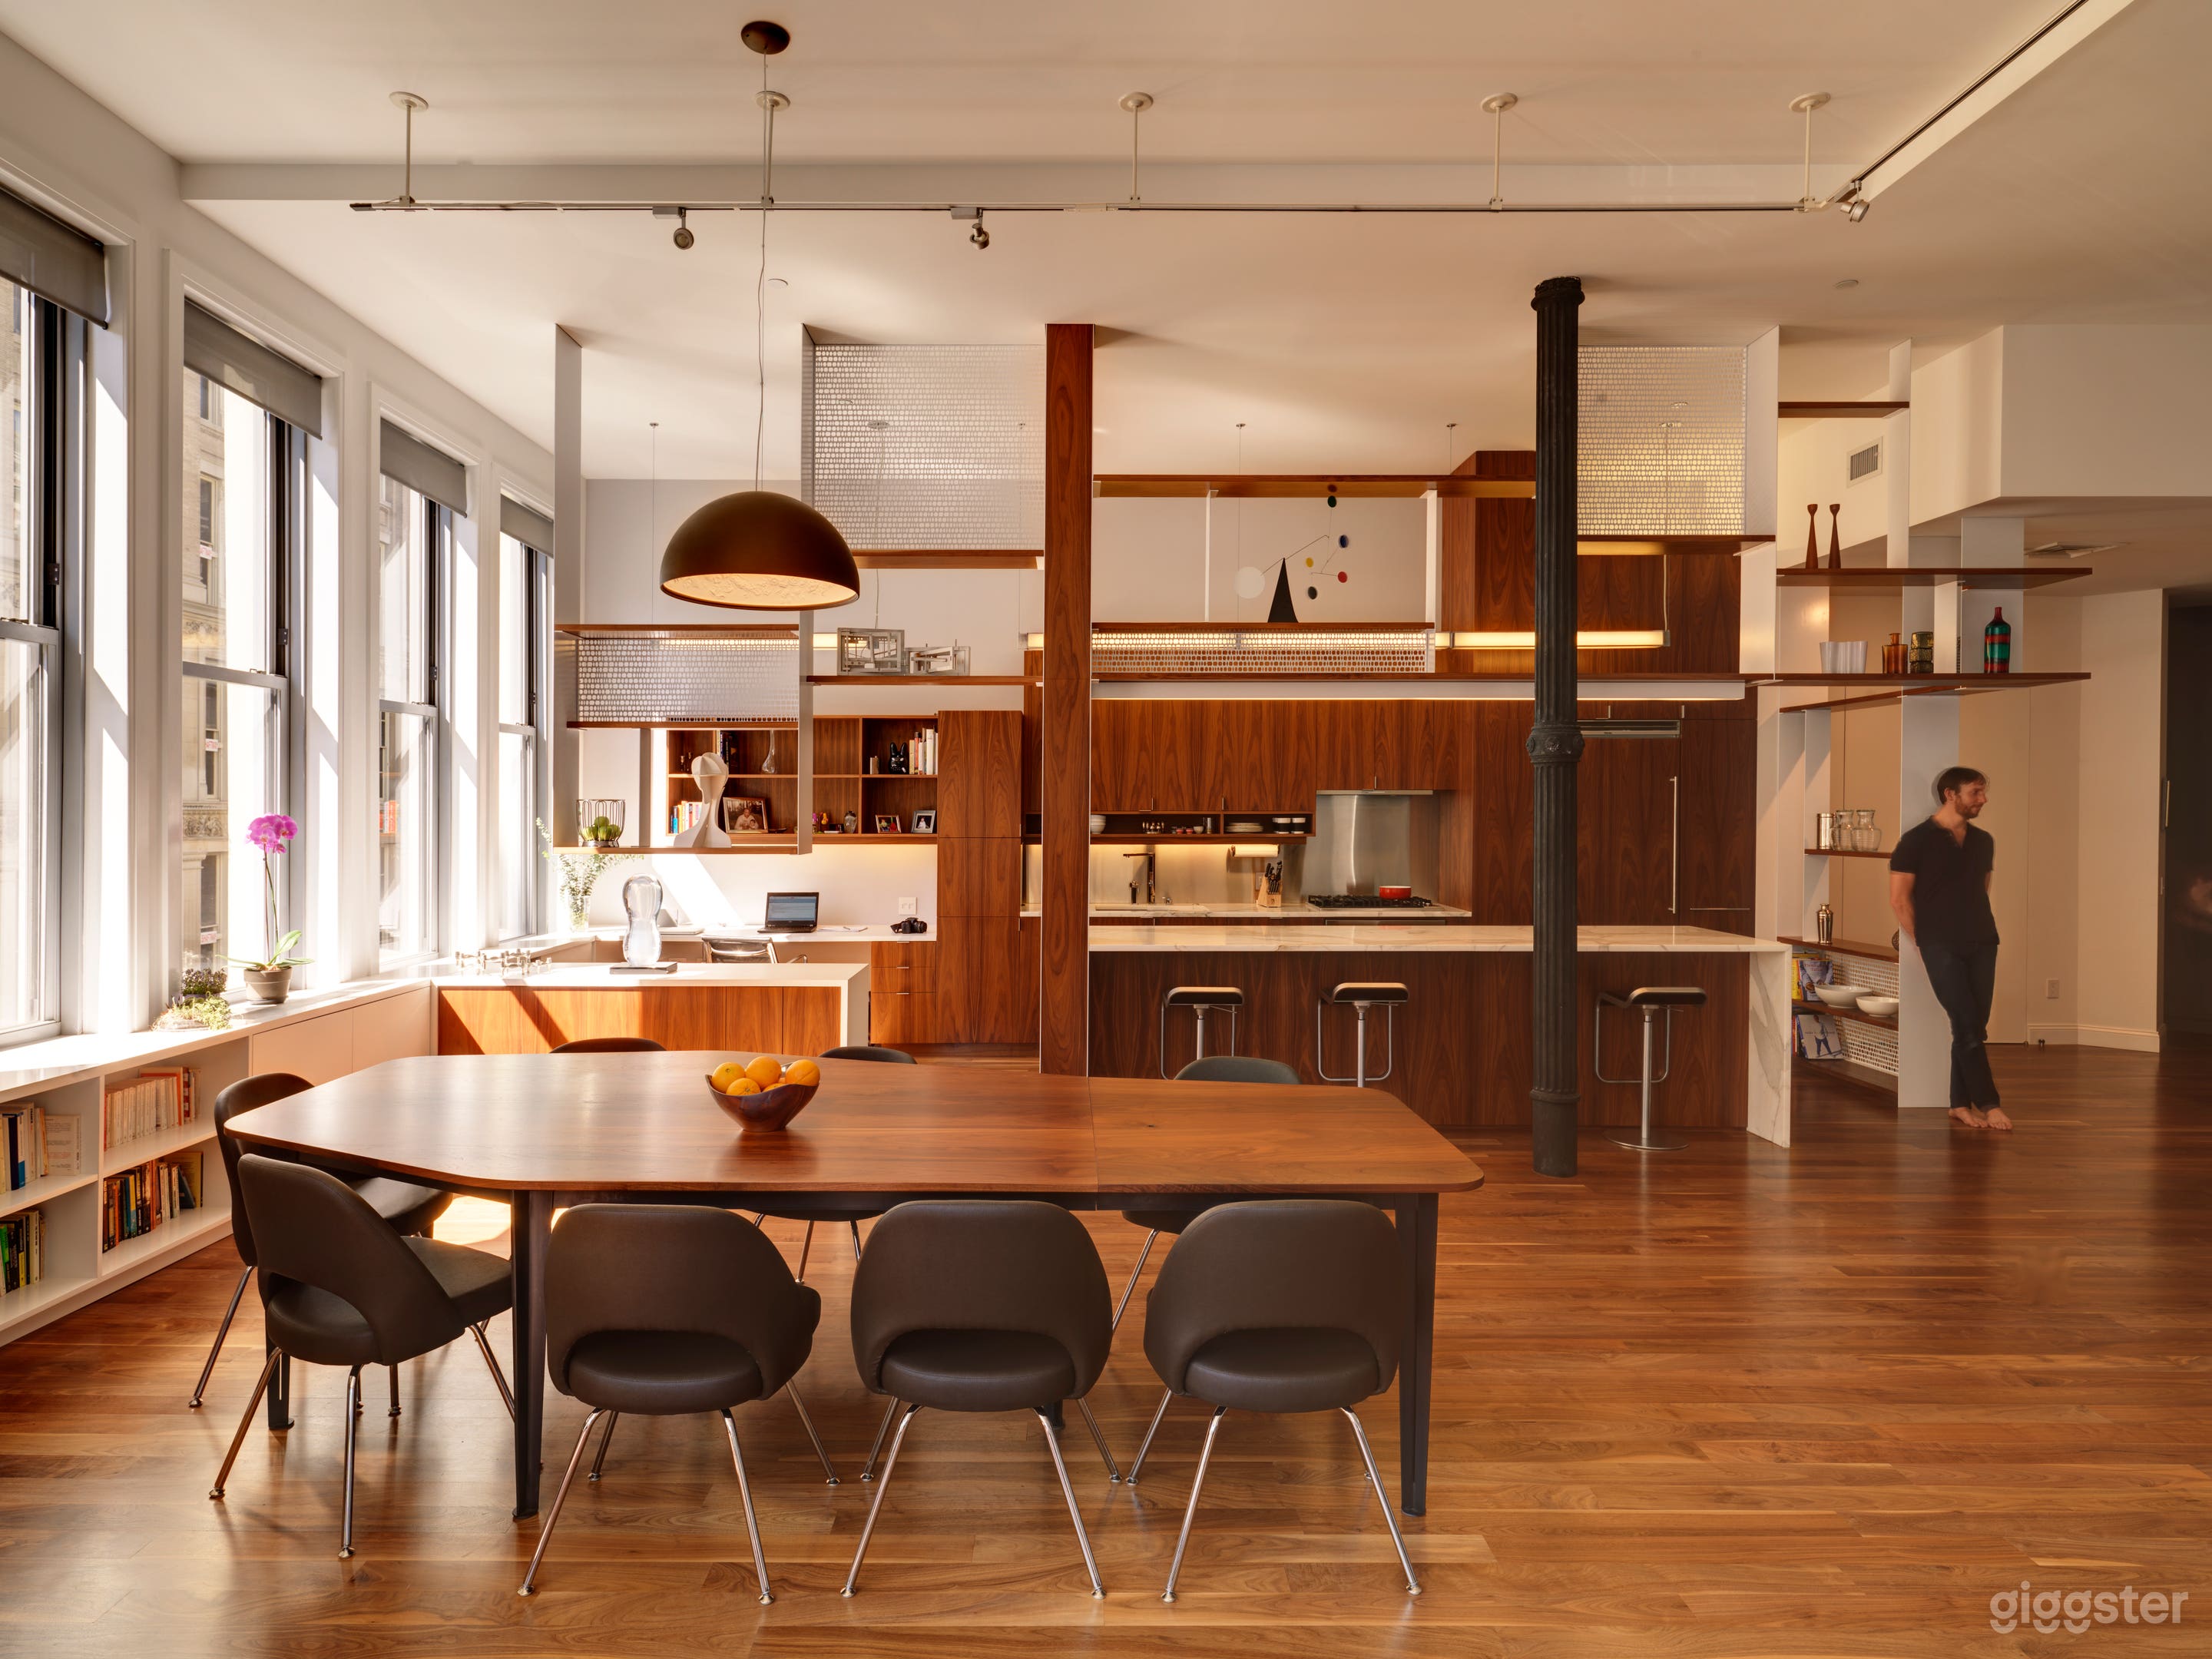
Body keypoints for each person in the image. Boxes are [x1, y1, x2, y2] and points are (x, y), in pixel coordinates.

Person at [1888, 766, 2011, 1130]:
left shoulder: (1984, 841)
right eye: (1976, 792)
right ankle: (1989, 1104)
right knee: (1967, 1022)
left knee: (1973, 1026)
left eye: (1983, 792)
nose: (1983, 799)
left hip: (1984, 941)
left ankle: (1959, 1104)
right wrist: (1925, 940)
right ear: (1950, 794)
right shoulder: (1915, 841)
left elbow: (1981, 889)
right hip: (1939, 944)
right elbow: (1899, 900)